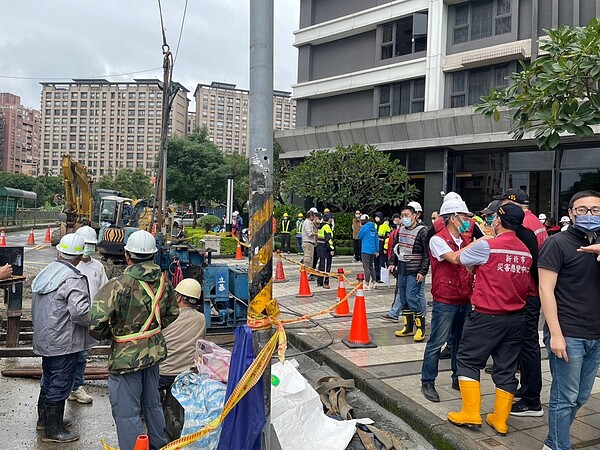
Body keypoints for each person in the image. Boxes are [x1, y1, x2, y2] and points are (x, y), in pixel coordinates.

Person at [447, 203, 532, 436]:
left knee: (467, 360)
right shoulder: (525, 251)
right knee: (506, 369)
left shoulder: (487, 246)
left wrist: (478, 239)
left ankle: (471, 413)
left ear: (497, 221)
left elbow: (457, 258)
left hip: (487, 316)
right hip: (516, 319)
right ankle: (500, 420)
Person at [90, 230, 179, 450]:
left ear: (128, 255)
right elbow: (172, 312)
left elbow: (95, 323)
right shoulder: (163, 281)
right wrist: (150, 330)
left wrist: (115, 335)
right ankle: (159, 444)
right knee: (152, 405)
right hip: (153, 352)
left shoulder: (118, 285)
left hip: (126, 358)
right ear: (153, 255)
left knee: (127, 412)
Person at [538, 190, 600, 450]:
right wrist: (556, 334)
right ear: (572, 213)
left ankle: (553, 442)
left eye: (595, 210)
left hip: (595, 334)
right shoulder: (557, 243)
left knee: (581, 396)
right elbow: (545, 289)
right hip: (568, 332)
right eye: (583, 210)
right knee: (565, 397)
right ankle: (558, 446)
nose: (589, 215)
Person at [494, 188, 548, 418]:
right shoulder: (534, 221)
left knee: (527, 345)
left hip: (528, 293)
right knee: (525, 344)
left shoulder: (523, 225)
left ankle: (531, 400)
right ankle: (525, 390)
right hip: (532, 292)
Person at [32, 233, 90, 443]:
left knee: (48, 378)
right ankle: (53, 430)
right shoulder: (73, 278)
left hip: (46, 338)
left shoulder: (48, 272)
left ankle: (44, 420)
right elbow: (80, 312)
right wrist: (98, 322)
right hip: (64, 341)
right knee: (61, 381)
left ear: (59, 251)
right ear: (80, 256)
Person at [420, 199, 473, 402]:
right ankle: (428, 381)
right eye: (464, 216)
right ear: (452, 218)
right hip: (446, 298)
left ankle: (457, 377)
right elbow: (453, 258)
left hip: (464, 297)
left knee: (460, 343)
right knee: (437, 342)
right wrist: (478, 244)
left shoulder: (466, 240)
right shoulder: (437, 240)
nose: (468, 220)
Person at [66, 226, 109, 405]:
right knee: (67, 354)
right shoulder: (70, 265)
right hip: (69, 317)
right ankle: (65, 386)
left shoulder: (97, 267)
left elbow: (103, 290)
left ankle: (76, 387)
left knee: (82, 355)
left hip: (88, 318)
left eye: (91, 245)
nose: (88, 248)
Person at [385, 206, 429, 341]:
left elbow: (427, 254)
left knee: (412, 297)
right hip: (402, 269)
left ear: (415, 215)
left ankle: (421, 328)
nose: (405, 218)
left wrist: (422, 271)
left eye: (407, 215)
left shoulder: (422, 231)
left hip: (414, 270)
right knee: (403, 298)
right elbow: (395, 248)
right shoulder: (400, 230)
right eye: (403, 215)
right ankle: (408, 327)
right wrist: (391, 263)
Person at [159, 278, 206, 389]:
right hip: (189, 374)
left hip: (164, 374)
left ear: (178, 297)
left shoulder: (166, 317)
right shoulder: (201, 318)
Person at [357, 214, 378, 290]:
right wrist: (377, 250)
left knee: (366, 267)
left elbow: (359, 236)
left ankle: (367, 284)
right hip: (372, 250)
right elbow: (376, 240)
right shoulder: (374, 228)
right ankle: (375, 282)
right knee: (371, 267)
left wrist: (360, 228)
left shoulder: (365, 228)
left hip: (365, 249)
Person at [316, 213, 334, 289]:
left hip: (320, 247)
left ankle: (319, 281)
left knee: (321, 264)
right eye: (331, 218)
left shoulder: (321, 225)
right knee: (327, 266)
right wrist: (332, 249)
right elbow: (329, 239)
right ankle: (325, 282)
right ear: (328, 219)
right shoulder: (327, 227)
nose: (332, 220)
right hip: (325, 248)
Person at [374, 212, 391, 283]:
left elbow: (387, 238)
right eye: (375, 217)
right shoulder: (374, 225)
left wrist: (385, 248)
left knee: (382, 263)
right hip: (375, 248)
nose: (376, 218)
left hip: (382, 246)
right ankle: (376, 276)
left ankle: (382, 278)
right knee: (376, 263)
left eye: (377, 217)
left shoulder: (385, 226)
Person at [301, 211, 317, 277]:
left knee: (310, 259)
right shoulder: (307, 223)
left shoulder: (310, 223)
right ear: (310, 216)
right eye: (313, 216)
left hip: (310, 243)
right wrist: (318, 234)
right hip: (308, 242)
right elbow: (310, 233)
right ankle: (306, 275)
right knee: (308, 259)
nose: (314, 217)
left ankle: (308, 274)